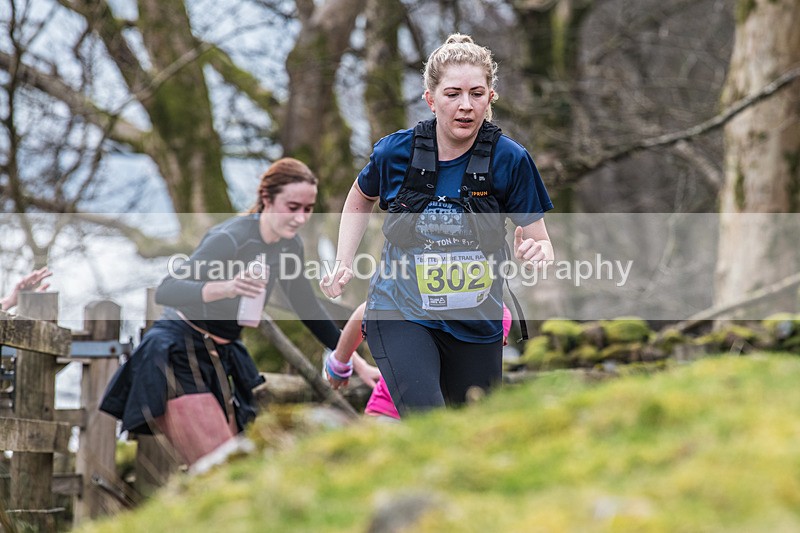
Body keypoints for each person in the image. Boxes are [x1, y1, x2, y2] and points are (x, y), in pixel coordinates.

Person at [320, 33, 554, 416]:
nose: (466, 106)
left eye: (477, 94)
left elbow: (542, 241)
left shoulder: (510, 160)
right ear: (431, 99)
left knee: (472, 431)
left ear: (490, 97)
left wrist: (536, 250)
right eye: (453, 94)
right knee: (427, 418)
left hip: (476, 321)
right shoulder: (396, 152)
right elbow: (361, 196)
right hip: (399, 311)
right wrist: (344, 261)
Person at [101, 158, 341, 465]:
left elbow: (307, 306)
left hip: (224, 355)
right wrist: (226, 288)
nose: (300, 218)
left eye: (308, 209)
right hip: (178, 353)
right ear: (266, 198)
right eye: (292, 207)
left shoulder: (288, 246)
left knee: (232, 468)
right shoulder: (231, 238)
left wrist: (349, 357)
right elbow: (168, 289)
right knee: (222, 466)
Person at [326, 302, 515, 421]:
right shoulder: (420, 294)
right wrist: (339, 363)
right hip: (388, 414)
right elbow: (365, 311)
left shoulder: (498, 315)